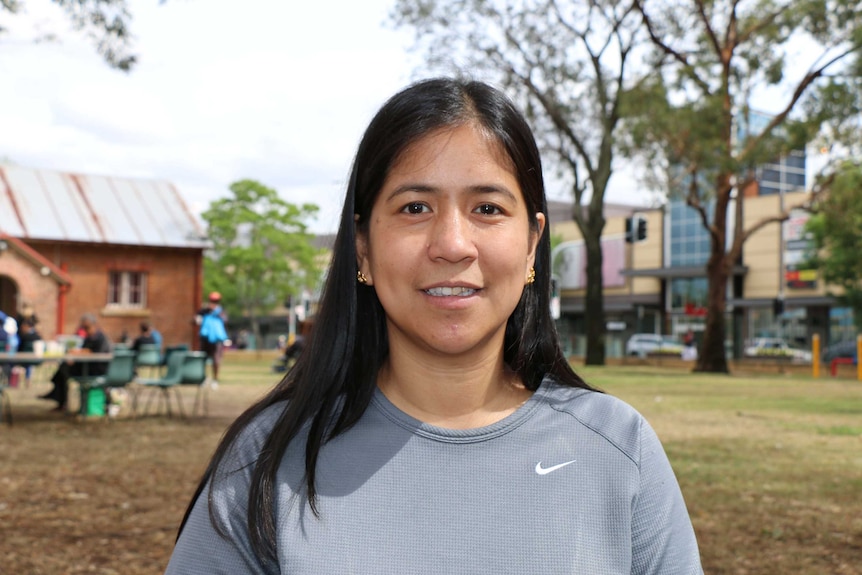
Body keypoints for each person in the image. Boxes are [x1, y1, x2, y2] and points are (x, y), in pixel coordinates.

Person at [166, 78, 703, 574]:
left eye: (488, 208)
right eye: (415, 206)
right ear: (362, 246)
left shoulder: (618, 448)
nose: (452, 244)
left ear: (533, 243)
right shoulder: (267, 459)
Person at [40, 313, 111, 412]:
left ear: (94, 325)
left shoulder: (99, 338)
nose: (85, 330)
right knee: (63, 368)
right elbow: (84, 351)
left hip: (95, 369)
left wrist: (77, 353)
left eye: (87, 327)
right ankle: (58, 397)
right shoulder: (90, 337)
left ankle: (59, 398)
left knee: (64, 370)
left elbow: (93, 353)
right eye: (83, 328)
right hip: (87, 366)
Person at [195, 292, 228, 382]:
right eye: (213, 300)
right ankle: (203, 378)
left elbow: (225, 322)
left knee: (216, 359)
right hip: (205, 338)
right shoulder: (204, 311)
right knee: (203, 359)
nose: (214, 302)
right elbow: (197, 320)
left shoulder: (221, 312)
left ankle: (215, 379)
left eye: (216, 301)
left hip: (217, 339)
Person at [15, 319, 42, 387]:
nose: (22, 328)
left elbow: (19, 348)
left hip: (27, 358)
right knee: (28, 365)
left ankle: (18, 381)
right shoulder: (37, 335)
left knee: (25, 364)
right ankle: (27, 380)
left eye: (23, 326)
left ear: (27, 326)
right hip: (36, 358)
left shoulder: (25, 336)